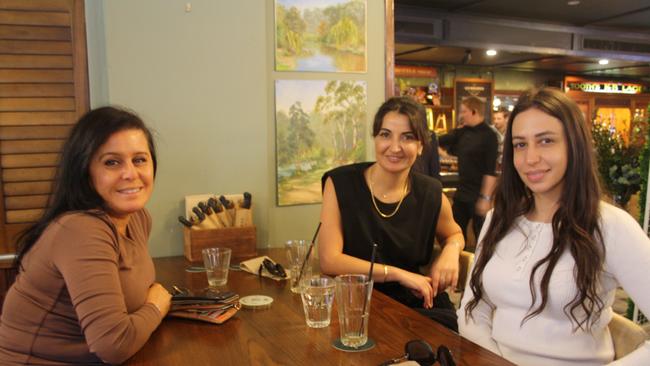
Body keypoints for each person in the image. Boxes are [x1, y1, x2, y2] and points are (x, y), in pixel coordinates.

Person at [458, 87, 650, 365]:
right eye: (520, 144)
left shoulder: (610, 226)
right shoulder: (498, 219)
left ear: (574, 145)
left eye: (546, 141)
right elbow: (473, 309)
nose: (530, 158)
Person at [0, 107, 172, 364]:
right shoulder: (81, 230)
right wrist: (156, 305)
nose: (130, 173)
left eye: (139, 159)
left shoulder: (137, 219)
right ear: (85, 171)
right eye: (112, 162)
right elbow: (113, 345)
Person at [319, 96, 465, 331]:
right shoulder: (340, 183)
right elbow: (329, 260)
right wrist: (396, 274)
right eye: (385, 135)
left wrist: (451, 250)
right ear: (375, 139)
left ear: (420, 146)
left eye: (407, 137)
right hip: (356, 307)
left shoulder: (431, 192)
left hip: (418, 306)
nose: (394, 147)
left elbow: (454, 234)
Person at [439, 96, 498, 242]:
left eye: (463, 112)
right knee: (455, 232)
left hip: (479, 194)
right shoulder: (462, 132)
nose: (460, 115)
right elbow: (437, 140)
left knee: (482, 237)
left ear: (474, 111)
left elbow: (490, 171)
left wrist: (485, 198)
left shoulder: (489, 135)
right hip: (462, 192)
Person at [491, 108, 510, 172]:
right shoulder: (490, 131)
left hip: (507, 165)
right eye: (494, 118)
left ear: (506, 119)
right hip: (493, 165)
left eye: (499, 119)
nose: (495, 121)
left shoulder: (511, 132)